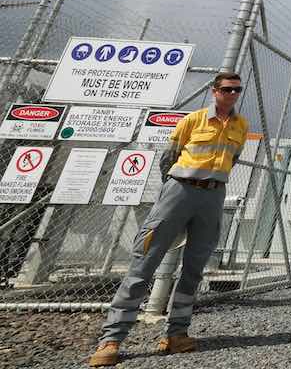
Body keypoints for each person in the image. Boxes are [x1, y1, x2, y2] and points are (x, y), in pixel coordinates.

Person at [88, 72, 251, 367]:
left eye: (237, 90)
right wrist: (176, 188)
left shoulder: (241, 125)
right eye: (227, 89)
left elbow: (233, 158)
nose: (233, 94)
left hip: (213, 195)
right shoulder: (193, 120)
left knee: (194, 268)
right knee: (145, 260)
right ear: (214, 91)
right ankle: (112, 339)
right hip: (180, 189)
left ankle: (177, 333)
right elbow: (170, 157)